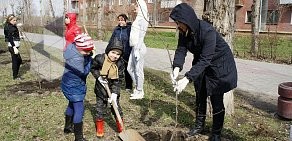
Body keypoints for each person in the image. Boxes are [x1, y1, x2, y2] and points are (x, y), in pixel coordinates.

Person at [169, 3, 237, 141]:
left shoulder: (207, 32)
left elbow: (206, 58)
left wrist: (187, 78)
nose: (178, 26)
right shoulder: (184, 31)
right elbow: (181, 49)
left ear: (187, 20)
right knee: (200, 94)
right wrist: (177, 67)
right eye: (176, 23)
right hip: (202, 63)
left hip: (219, 66)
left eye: (179, 22)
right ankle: (199, 126)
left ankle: (216, 133)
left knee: (216, 99)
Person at [61, 33, 94, 141]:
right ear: (79, 48)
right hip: (75, 86)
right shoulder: (76, 60)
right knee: (79, 109)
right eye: (86, 51)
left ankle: (67, 127)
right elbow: (84, 72)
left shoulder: (72, 48)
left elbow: (80, 44)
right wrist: (90, 60)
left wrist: (87, 50)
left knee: (71, 104)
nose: (88, 53)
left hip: (67, 84)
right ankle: (78, 138)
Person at [90, 38, 125, 138]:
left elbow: (119, 79)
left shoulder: (120, 64)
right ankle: (100, 127)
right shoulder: (99, 59)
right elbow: (93, 68)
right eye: (113, 52)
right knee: (100, 109)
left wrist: (114, 94)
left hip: (113, 91)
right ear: (108, 50)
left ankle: (120, 126)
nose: (115, 56)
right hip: (100, 90)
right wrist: (99, 77)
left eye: (118, 54)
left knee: (116, 108)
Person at [127, 0, 149, 99]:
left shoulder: (143, 19)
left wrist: (137, 48)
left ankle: (140, 91)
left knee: (138, 70)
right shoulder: (137, 19)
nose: (134, 8)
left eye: (136, 6)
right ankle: (137, 88)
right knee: (129, 69)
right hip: (134, 47)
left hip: (139, 48)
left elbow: (141, 35)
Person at [108, 13, 133, 92]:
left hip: (127, 53)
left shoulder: (130, 29)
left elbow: (133, 40)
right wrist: (108, 50)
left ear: (126, 20)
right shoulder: (116, 29)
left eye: (122, 20)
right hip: (117, 53)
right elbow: (112, 40)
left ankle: (128, 86)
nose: (120, 22)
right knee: (115, 68)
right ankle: (114, 84)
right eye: (119, 20)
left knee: (127, 70)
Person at [4, 14, 23, 80]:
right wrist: (14, 47)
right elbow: (9, 38)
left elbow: (14, 35)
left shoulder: (12, 26)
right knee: (16, 61)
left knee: (19, 60)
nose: (15, 21)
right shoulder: (9, 27)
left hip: (14, 46)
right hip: (12, 47)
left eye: (16, 20)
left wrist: (20, 36)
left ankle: (15, 74)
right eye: (14, 20)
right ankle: (15, 76)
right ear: (10, 20)